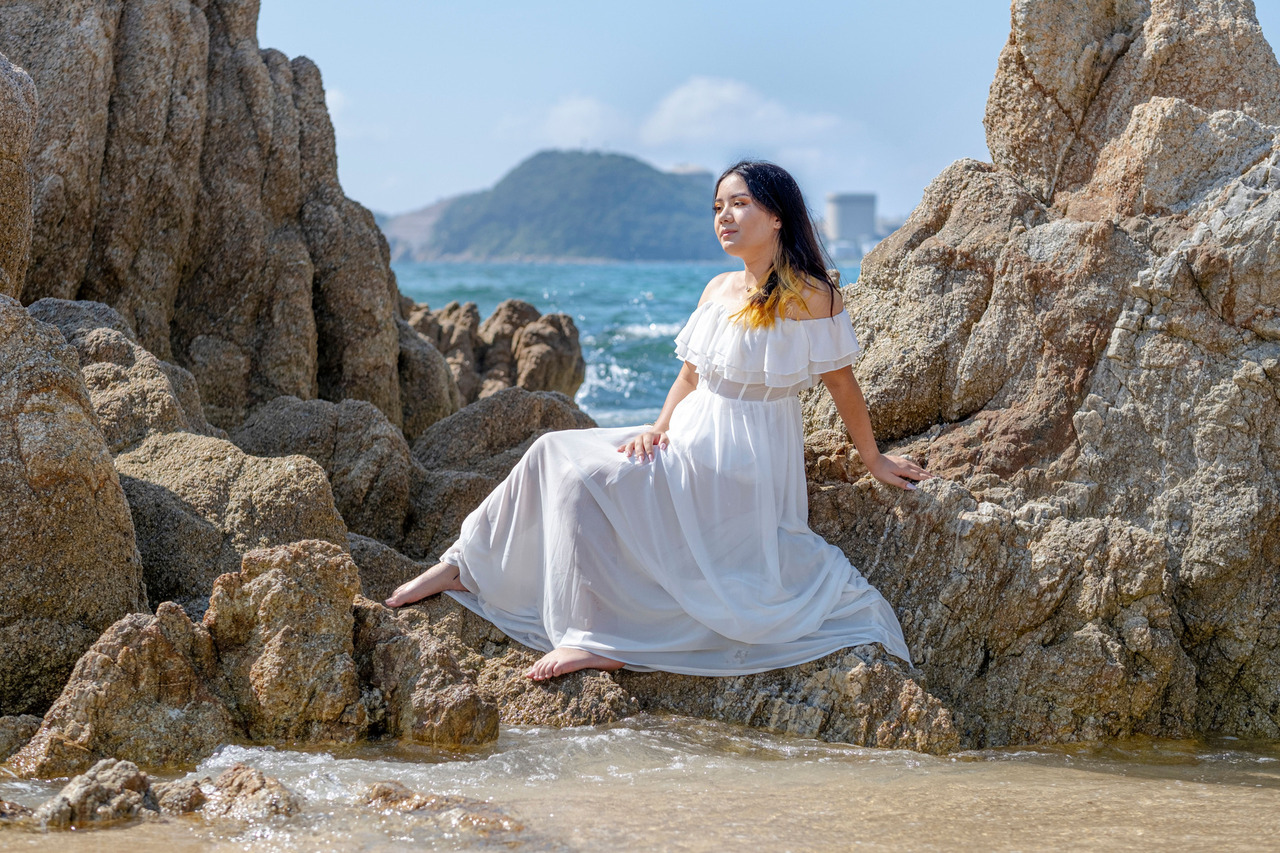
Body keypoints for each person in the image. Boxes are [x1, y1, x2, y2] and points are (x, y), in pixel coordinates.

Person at [386, 160, 932, 681]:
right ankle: (466, 564)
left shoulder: (815, 297)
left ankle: (597, 637)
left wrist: (873, 458)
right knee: (551, 449)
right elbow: (690, 378)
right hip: (686, 434)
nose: (723, 216)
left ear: (777, 216)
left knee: (589, 481)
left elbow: (843, 385)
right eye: (717, 205)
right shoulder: (717, 288)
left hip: (741, 455)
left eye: (739, 203)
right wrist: (658, 426)